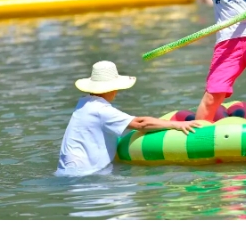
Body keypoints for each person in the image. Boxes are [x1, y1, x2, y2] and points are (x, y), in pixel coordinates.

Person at [55, 61, 201, 177]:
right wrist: (176, 124)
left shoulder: (84, 103)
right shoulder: (101, 110)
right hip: (85, 175)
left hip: (68, 172)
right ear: (113, 89)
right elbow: (140, 124)